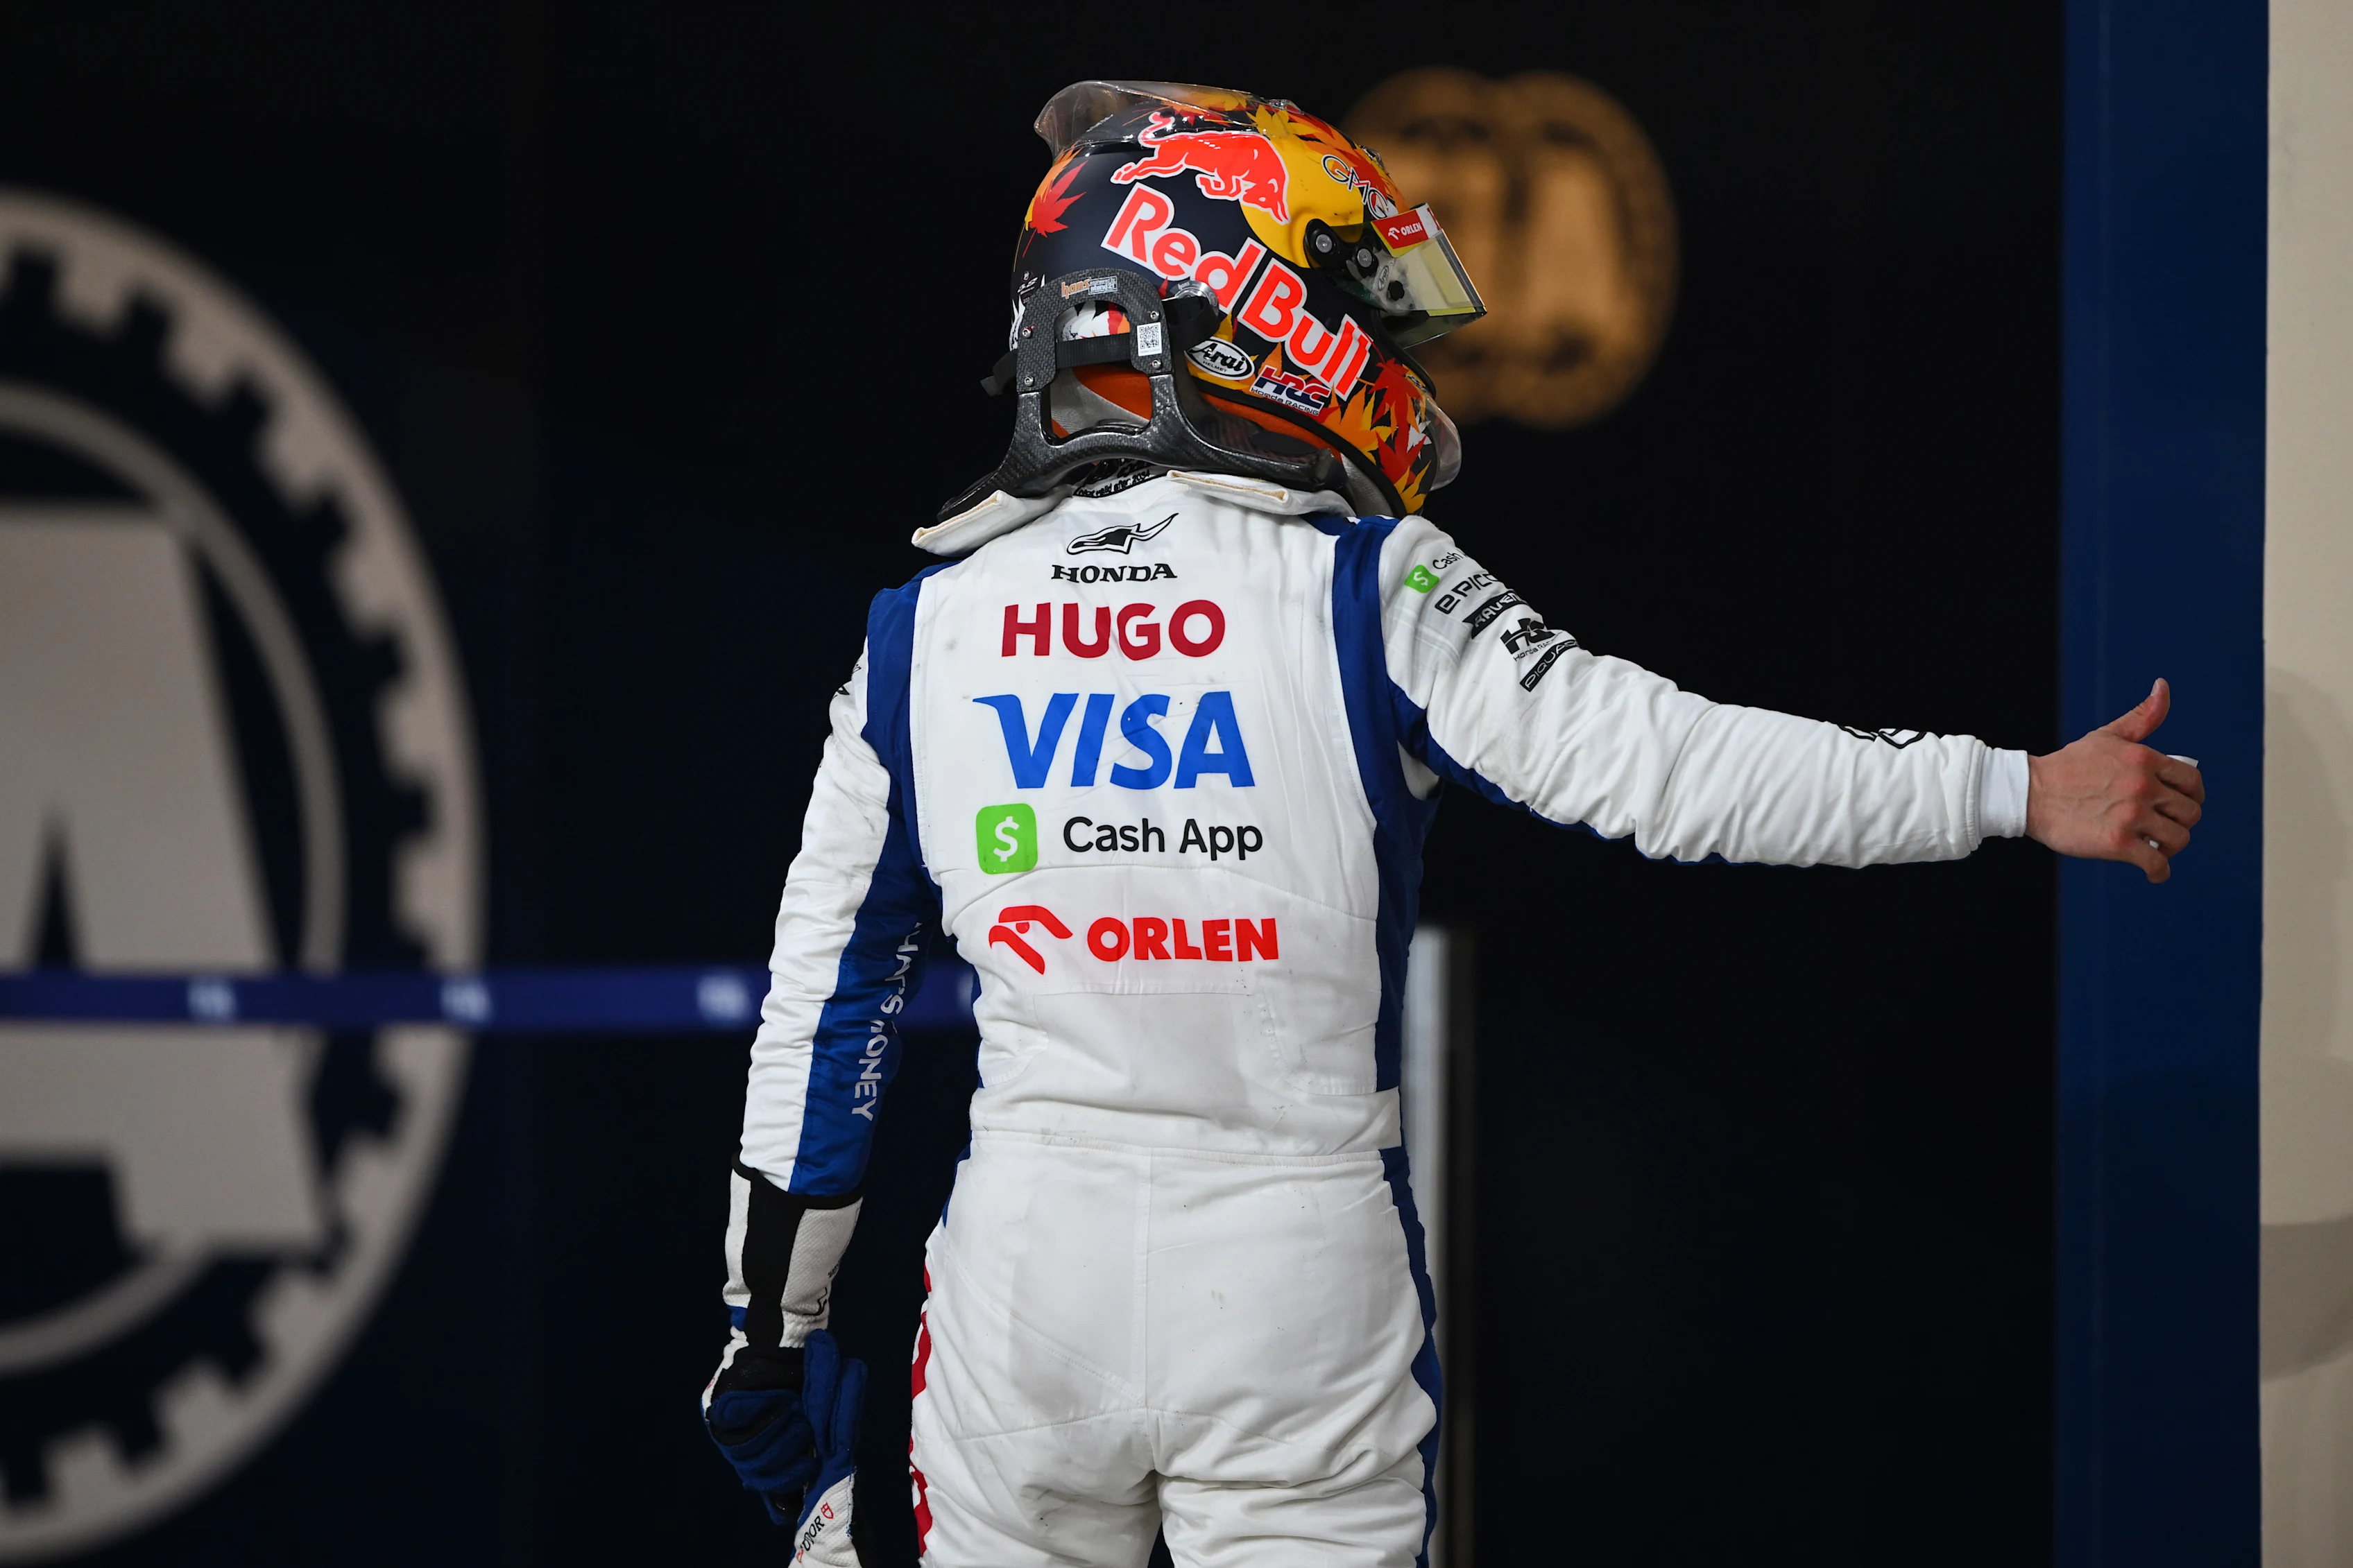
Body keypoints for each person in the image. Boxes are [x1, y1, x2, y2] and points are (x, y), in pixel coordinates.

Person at [699, 80, 2207, 1568]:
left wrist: (770, 1335)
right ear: (1238, 303)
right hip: (1291, 1270)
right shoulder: (1364, 586)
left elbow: (824, 1016)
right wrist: (2008, 784)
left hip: (1025, 1277)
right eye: (1353, 295)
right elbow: (1670, 764)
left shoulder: (924, 630)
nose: (1388, 348)